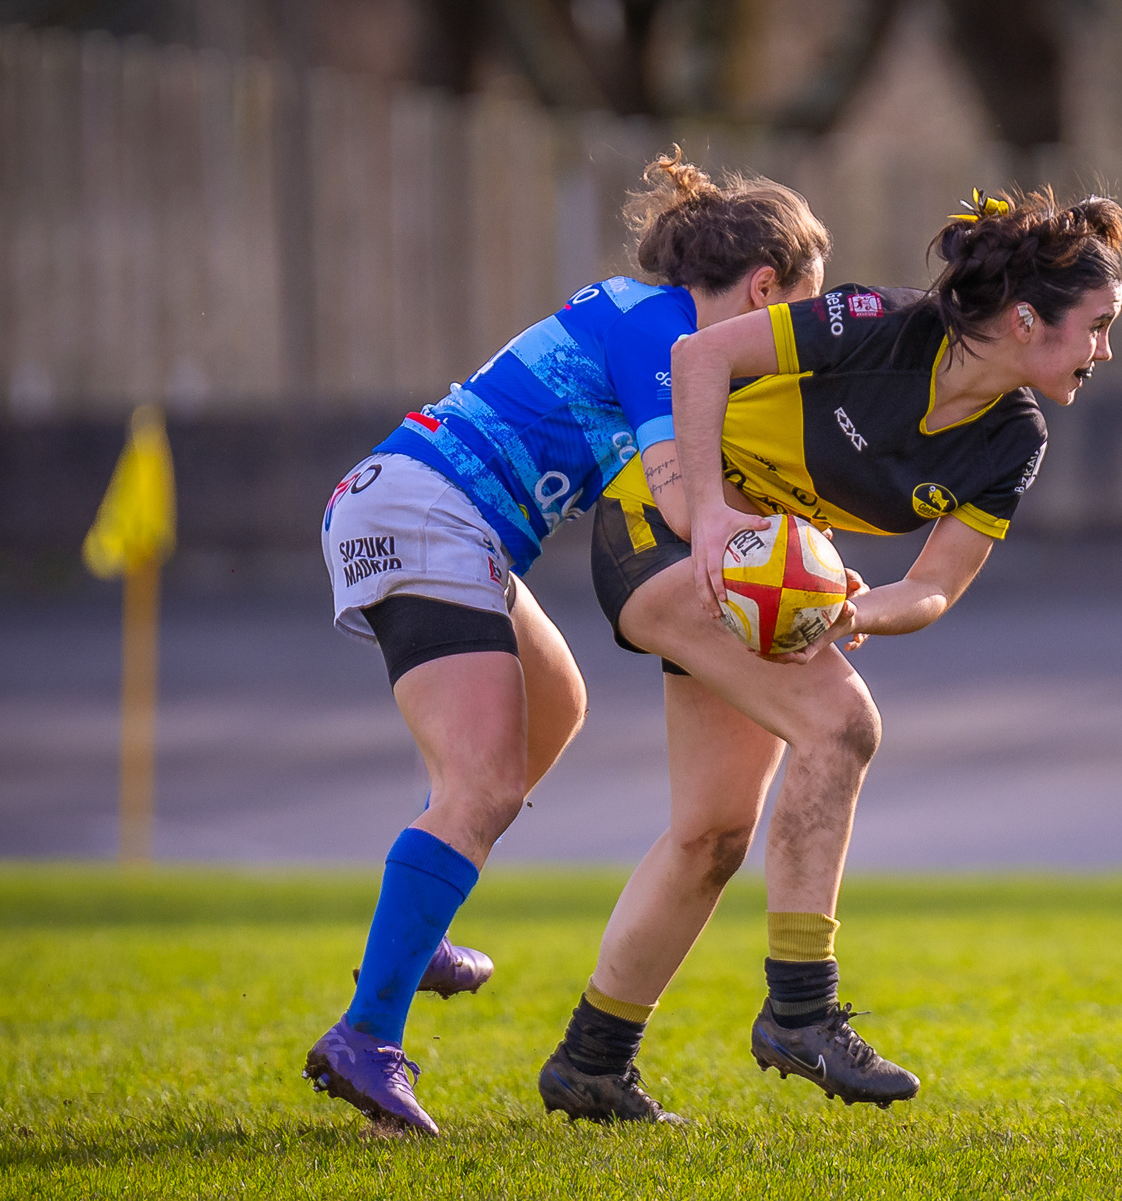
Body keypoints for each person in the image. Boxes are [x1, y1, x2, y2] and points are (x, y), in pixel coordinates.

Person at [539, 187, 1122, 1121]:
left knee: (712, 834)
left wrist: (860, 610)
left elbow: (932, 586)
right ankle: (801, 1012)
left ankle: (593, 1061)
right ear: (1028, 319)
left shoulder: (1015, 438)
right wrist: (709, 518)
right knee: (842, 723)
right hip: (661, 531)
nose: (1104, 350)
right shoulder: (881, 323)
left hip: (762, 587)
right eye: (1097, 326)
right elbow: (696, 358)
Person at [302, 151, 830, 1135]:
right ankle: (368, 1037)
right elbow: (679, 498)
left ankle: (420, 927)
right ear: (763, 290)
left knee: (559, 703)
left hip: (435, 516)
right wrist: (799, 563)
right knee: (485, 784)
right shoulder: (665, 332)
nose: (786, 345)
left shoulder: (647, 317)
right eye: (794, 316)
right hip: (428, 516)